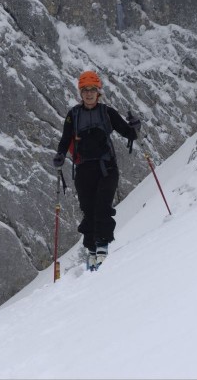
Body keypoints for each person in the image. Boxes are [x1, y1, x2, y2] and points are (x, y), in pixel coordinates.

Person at [53, 70, 141, 271]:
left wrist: (136, 126)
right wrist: (60, 154)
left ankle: (102, 247)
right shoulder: (73, 115)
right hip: (84, 170)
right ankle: (92, 250)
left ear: (98, 92)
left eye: (92, 90)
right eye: (85, 90)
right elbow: (65, 139)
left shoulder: (107, 112)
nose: (89, 94)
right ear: (81, 93)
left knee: (102, 206)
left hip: (106, 168)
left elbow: (128, 133)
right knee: (88, 210)